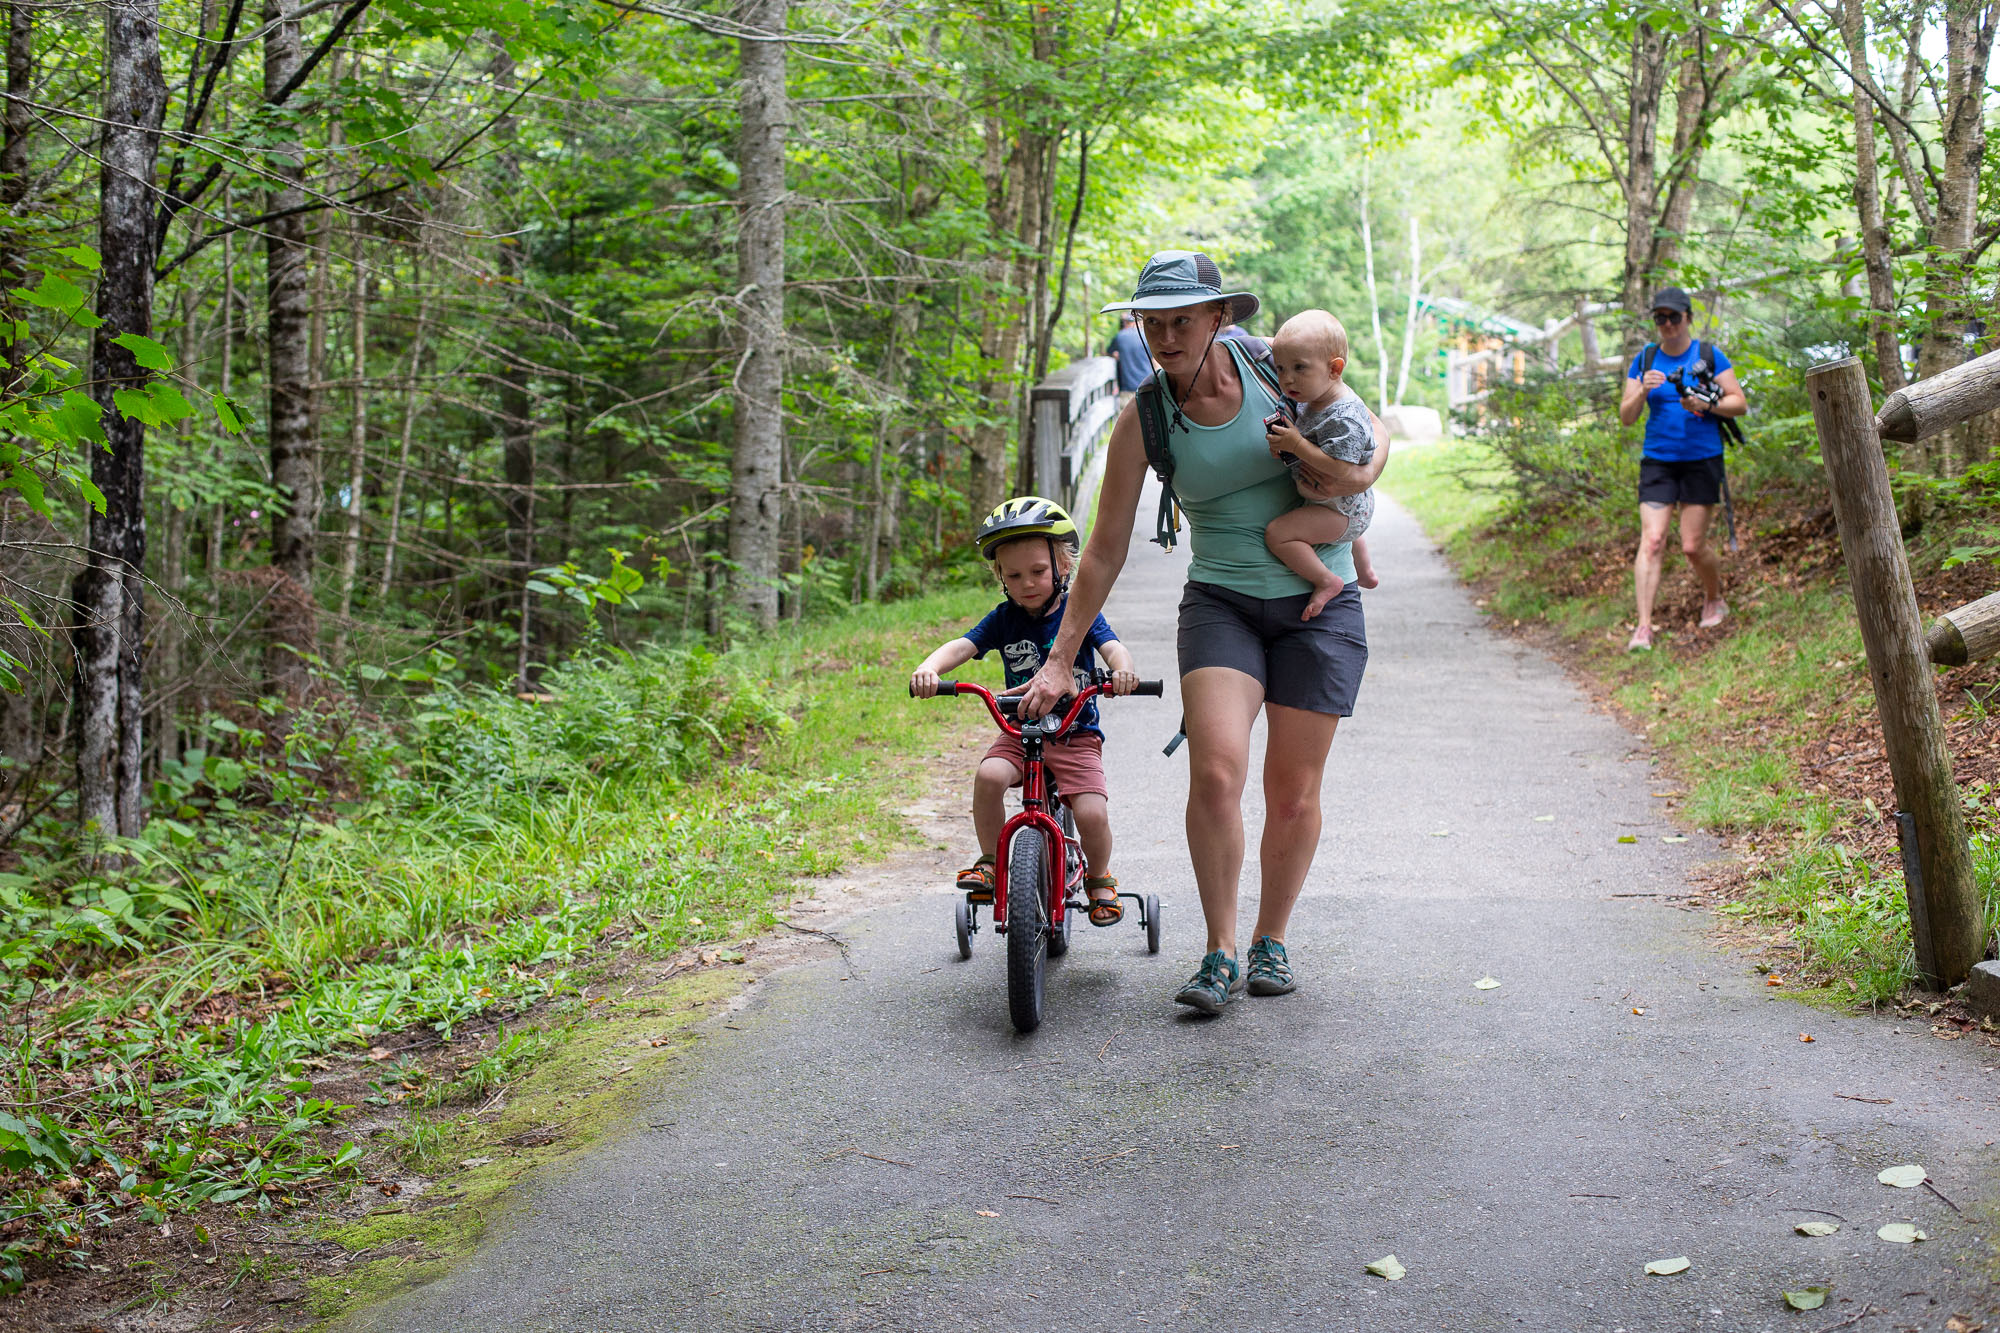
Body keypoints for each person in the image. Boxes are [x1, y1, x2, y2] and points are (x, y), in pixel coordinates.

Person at [1018, 250, 1390, 1014]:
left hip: (1321, 607)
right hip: (1222, 600)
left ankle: (1270, 941)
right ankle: (1219, 950)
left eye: (1179, 320)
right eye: (1150, 323)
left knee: (1292, 791)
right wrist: (1060, 660)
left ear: (1219, 316)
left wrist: (1356, 479)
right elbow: (1105, 547)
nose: (1163, 336)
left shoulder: (1274, 368)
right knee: (1217, 770)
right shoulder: (1146, 415)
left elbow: (1370, 431)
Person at [910, 497, 1141, 926]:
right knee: (989, 776)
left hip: (1075, 733)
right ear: (1001, 578)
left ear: (1063, 567)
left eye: (1037, 572)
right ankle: (991, 863)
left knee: (1091, 812)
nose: (1027, 584)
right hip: (1020, 732)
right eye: (1014, 575)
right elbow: (962, 646)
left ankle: (1098, 878)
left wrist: (1122, 672)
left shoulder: (1080, 614)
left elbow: (1113, 648)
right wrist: (929, 668)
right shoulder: (1003, 619)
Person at [1617, 286, 1748, 652]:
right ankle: (1643, 627)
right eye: (1661, 318)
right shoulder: (1644, 360)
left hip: (1701, 459)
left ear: (1688, 317)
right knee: (1653, 540)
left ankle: (1713, 596)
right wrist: (1642, 391)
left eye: (1675, 316)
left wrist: (1705, 404)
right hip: (1658, 460)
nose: (1668, 324)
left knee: (1691, 546)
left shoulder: (1708, 355)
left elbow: (1739, 403)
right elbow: (1626, 417)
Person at [1262, 309, 1381, 619]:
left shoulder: (1345, 416)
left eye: (1299, 368)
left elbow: (1343, 471)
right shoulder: (1313, 396)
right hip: (1344, 506)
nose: (1287, 378)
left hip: (1339, 510)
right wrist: (1286, 449)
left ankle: (1327, 580)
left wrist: (1297, 444)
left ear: (1334, 369)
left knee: (1278, 534)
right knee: (1350, 528)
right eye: (1281, 368)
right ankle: (1365, 571)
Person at [1106, 313, 1152, 406]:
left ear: (1125, 323)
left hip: (1127, 387)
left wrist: (1116, 355)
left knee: (1127, 417)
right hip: (1147, 384)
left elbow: (1108, 352)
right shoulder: (1146, 336)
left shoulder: (1120, 336)